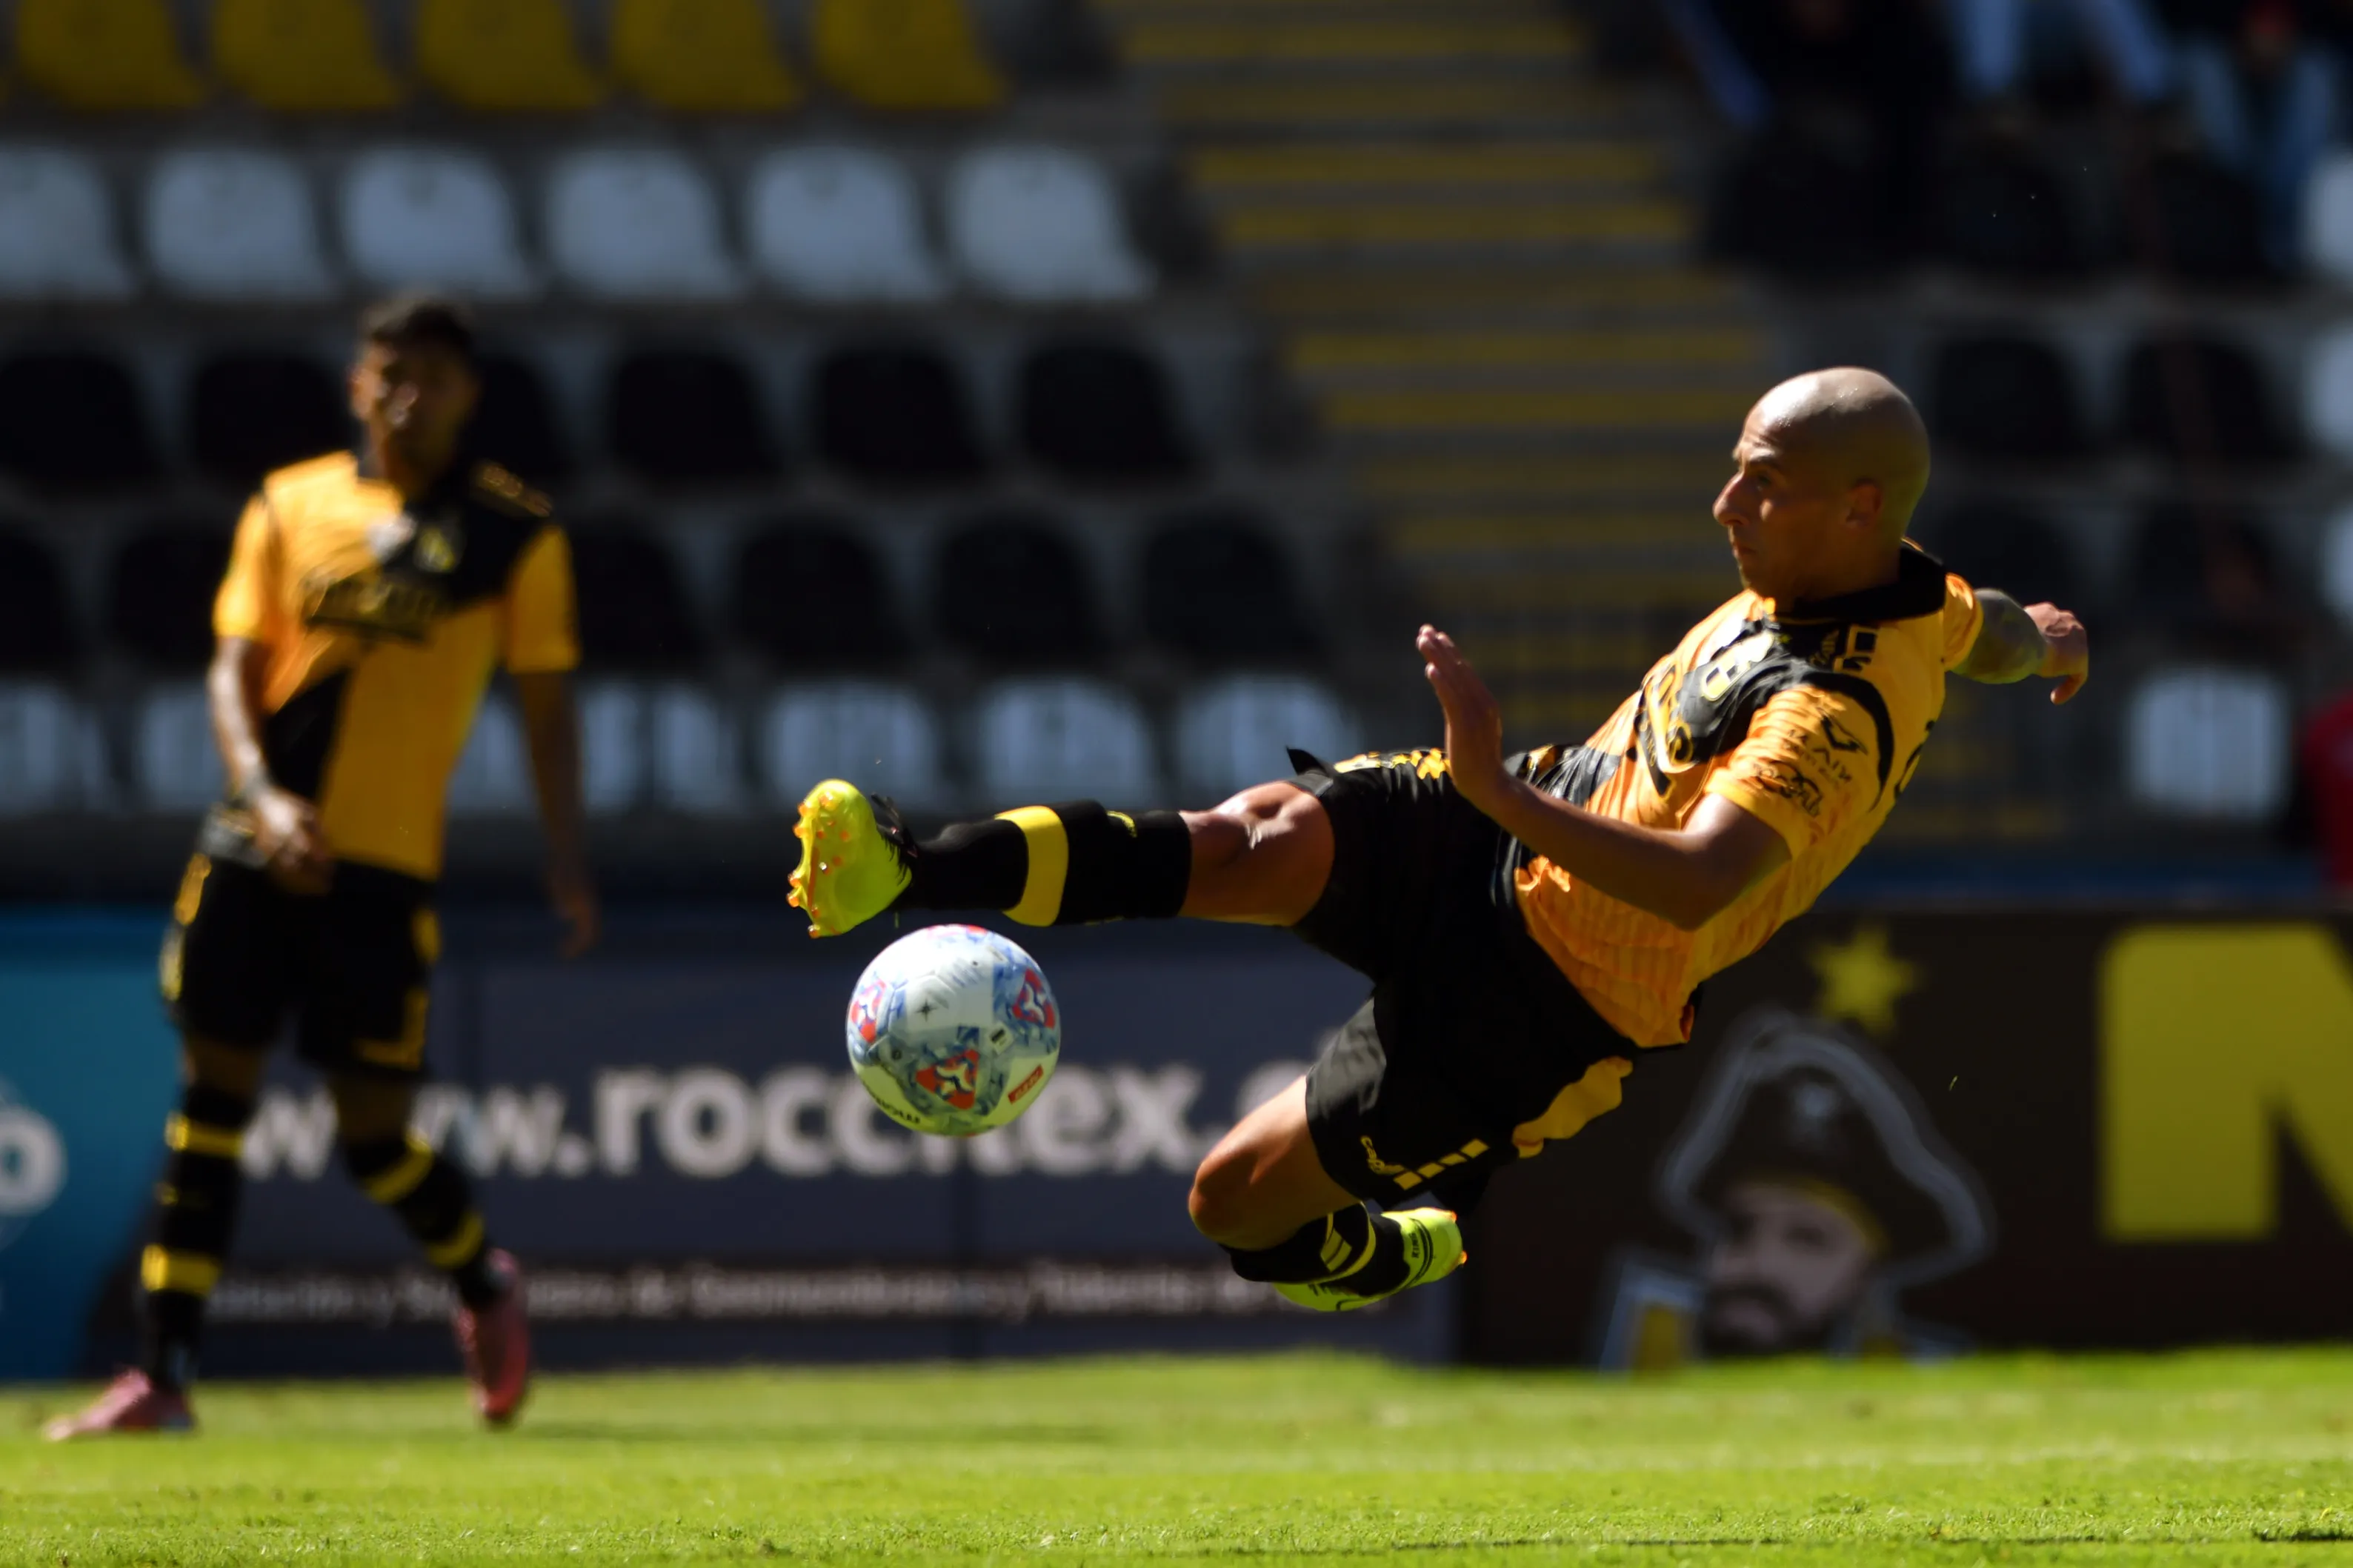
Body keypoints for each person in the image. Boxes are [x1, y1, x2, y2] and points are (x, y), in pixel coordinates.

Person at [788, 368, 2089, 1315]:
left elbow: (1702, 882)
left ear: (1859, 509)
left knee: (1233, 1202)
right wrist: (2051, 640)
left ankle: (1378, 1255)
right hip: (1503, 820)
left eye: (1766, 485)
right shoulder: (1908, 581)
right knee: (1252, 840)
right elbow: (1986, 631)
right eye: (1737, 463)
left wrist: (1497, 788)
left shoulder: (1830, 714)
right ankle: (909, 866)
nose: (1725, 504)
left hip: (1563, 988)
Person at [44, 295, 596, 1438]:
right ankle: (164, 1376)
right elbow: (230, 669)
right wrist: (259, 794)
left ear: (470, 395)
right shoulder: (291, 504)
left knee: (373, 1139)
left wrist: (566, 859)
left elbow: (548, 711)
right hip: (252, 853)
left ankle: (484, 1284)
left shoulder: (514, 535)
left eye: (437, 377)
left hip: (384, 873)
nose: (411, 395)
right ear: (357, 383)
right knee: (212, 1105)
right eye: (392, 372)